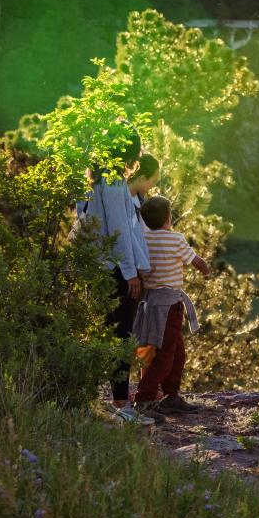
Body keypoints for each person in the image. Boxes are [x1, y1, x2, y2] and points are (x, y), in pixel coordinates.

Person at [77, 134, 153, 425]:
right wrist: (131, 272)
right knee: (121, 336)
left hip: (101, 266)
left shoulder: (95, 181)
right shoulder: (112, 182)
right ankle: (121, 404)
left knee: (107, 331)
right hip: (116, 269)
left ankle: (105, 399)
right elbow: (119, 230)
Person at [131, 195, 209, 421]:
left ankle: (171, 397)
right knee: (165, 357)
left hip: (151, 304)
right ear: (169, 218)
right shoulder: (175, 239)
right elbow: (196, 261)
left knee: (177, 352)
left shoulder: (143, 238)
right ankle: (144, 399)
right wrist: (206, 270)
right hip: (170, 307)